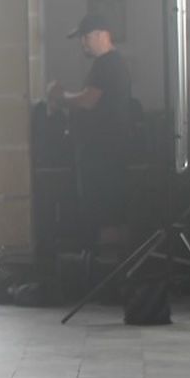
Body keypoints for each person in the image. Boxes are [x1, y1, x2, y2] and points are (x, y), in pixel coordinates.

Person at [47, 13, 132, 246]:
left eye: (85, 37)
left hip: (103, 155)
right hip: (105, 154)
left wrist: (60, 97)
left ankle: (106, 274)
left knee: (105, 217)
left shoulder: (108, 63)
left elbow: (88, 100)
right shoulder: (109, 64)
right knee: (110, 216)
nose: (82, 43)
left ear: (102, 35)